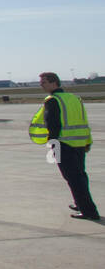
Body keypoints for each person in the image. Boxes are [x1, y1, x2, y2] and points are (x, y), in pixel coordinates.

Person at [30, 72, 97, 220]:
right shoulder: (75, 98)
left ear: (54, 83)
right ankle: (80, 203)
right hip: (79, 143)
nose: (41, 85)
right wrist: (87, 141)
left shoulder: (53, 100)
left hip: (63, 144)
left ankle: (89, 211)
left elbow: (53, 124)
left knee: (72, 177)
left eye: (44, 82)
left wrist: (52, 144)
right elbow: (83, 120)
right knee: (80, 175)